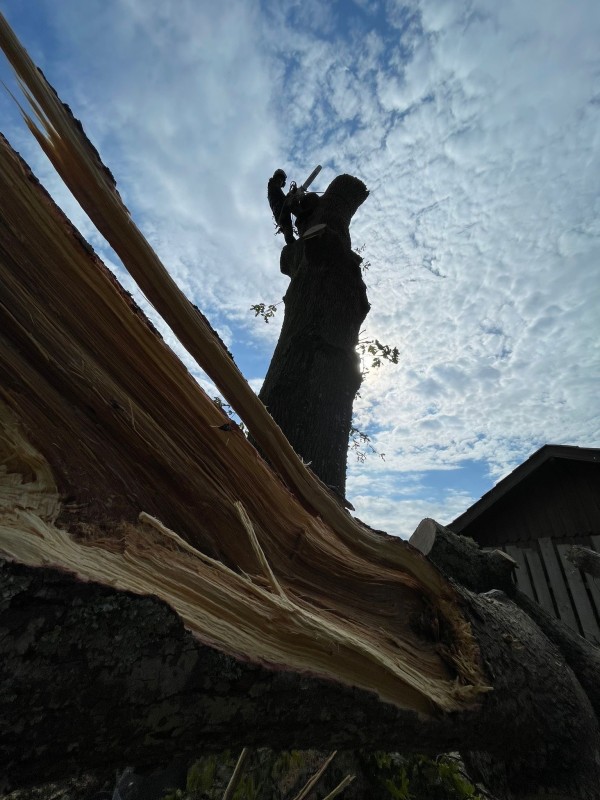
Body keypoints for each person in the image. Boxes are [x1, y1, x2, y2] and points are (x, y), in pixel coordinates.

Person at [267, 168, 295, 246]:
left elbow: (281, 197)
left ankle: (292, 244)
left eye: (282, 179)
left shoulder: (273, 186)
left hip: (279, 213)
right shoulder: (273, 184)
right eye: (280, 178)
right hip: (281, 209)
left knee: (287, 229)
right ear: (277, 177)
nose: (281, 181)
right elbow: (282, 197)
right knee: (293, 203)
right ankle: (301, 216)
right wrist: (291, 194)